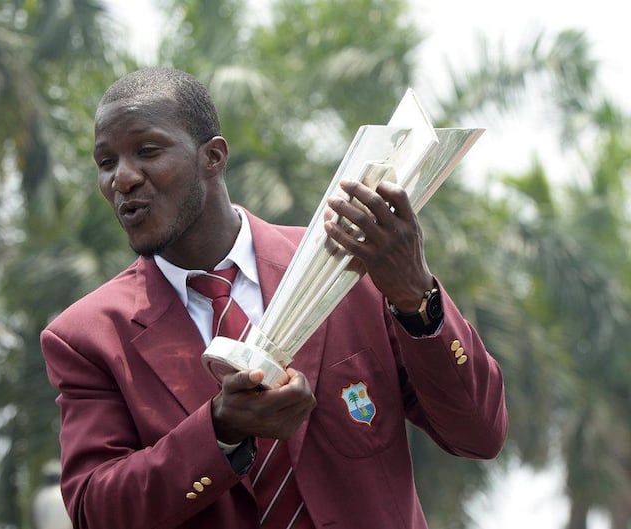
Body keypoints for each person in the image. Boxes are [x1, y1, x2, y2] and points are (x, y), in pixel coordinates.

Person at [40, 67, 508, 529]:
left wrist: (416, 296)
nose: (122, 179)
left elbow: (480, 435)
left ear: (214, 157)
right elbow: (94, 512)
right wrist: (220, 429)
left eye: (147, 151)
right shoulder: (88, 337)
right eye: (106, 162)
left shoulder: (350, 267)